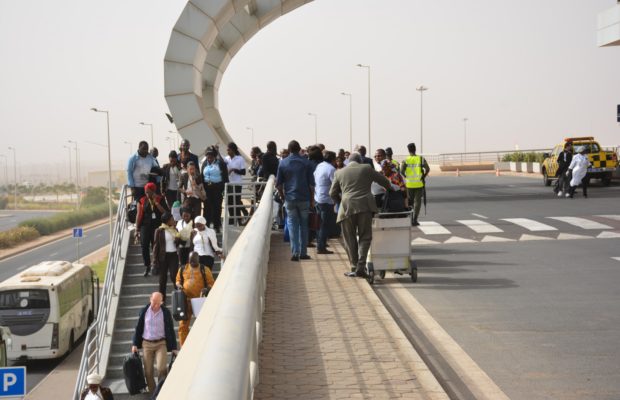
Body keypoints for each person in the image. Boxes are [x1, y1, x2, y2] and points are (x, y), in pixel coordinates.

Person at [330, 153, 390, 277]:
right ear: (360, 161)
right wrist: (391, 188)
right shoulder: (367, 168)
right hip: (365, 207)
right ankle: (361, 267)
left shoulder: (339, 173)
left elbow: (332, 193)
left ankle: (353, 266)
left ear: (348, 162)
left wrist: (341, 201)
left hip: (347, 208)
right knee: (365, 237)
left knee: (349, 239)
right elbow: (384, 181)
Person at [131, 292, 178, 394]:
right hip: (146, 344)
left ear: (162, 302)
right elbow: (138, 328)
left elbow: (170, 330)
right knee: (148, 372)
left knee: (161, 368)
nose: (156, 305)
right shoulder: (144, 311)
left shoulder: (165, 312)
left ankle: (162, 392)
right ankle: (154, 394)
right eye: (154, 302)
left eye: (158, 302)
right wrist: (134, 344)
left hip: (161, 343)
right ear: (150, 299)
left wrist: (174, 347)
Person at [276, 140, 315, 261]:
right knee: (304, 226)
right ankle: (303, 253)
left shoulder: (283, 163)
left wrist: (283, 196)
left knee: (292, 226)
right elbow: (311, 185)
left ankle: (295, 252)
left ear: (289, 150)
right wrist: (312, 200)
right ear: (299, 149)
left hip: (290, 198)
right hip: (304, 198)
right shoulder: (306, 162)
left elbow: (278, 185)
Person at [176, 252, 215, 346]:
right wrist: (179, 285)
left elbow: (212, 283)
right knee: (182, 326)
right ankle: (183, 346)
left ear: (198, 260)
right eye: (191, 261)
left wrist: (207, 288)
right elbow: (178, 280)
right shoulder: (183, 269)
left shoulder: (204, 269)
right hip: (186, 300)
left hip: (199, 300)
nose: (192, 263)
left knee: (202, 324)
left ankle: (203, 344)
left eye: (194, 261)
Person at [136, 182, 167, 277]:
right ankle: (147, 266)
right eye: (146, 192)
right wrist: (137, 228)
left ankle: (156, 265)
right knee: (144, 246)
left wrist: (156, 203)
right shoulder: (141, 200)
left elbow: (165, 212)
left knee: (155, 246)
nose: (147, 194)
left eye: (149, 192)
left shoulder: (160, 199)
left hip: (156, 226)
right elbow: (139, 214)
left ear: (153, 191)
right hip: (144, 226)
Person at [152, 212, 180, 303]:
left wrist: (178, 240)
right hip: (163, 257)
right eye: (171, 219)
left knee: (174, 276)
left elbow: (179, 243)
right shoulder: (159, 230)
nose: (173, 220)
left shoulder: (175, 229)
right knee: (162, 279)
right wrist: (155, 260)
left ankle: (179, 296)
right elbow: (156, 246)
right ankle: (162, 300)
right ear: (167, 221)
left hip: (173, 256)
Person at [313, 151, 337, 255]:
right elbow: (335, 184)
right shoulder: (331, 169)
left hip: (318, 197)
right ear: (333, 159)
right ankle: (321, 247)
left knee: (319, 223)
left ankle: (320, 243)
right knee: (324, 224)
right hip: (326, 199)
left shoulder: (320, 166)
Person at [401, 143, 430, 226]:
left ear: (408, 150)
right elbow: (427, 169)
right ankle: (415, 220)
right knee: (417, 203)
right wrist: (423, 176)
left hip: (409, 184)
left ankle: (410, 218)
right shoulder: (421, 159)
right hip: (419, 184)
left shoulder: (406, 160)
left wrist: (406, 177)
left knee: (410, 202)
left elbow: (401, 171)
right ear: (415, 149)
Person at [201, 148, 228, 231]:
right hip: (207, 189)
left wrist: (224, 189)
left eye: (211, 156)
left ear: (214, 156)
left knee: (217, 207)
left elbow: (225, 177)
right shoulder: (204, 163)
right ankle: (207, 226)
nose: (209, 158)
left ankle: (217, 226)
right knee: (207, 208)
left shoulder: (220, 163)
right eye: (208, 156)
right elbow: (202, 175)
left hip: (217, 189)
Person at [225, 142, 249, 224]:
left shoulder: (240, 159)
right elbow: (220, 160)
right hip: (229, 183)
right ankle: (234, 220)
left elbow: (243, 172)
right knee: (230, 202)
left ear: (233, 150)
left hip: (237, 183)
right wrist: (216, 151)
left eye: (229, 150)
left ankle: (244, 213)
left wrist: (233, 169)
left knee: (237, 201)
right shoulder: (226, 158)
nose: (227, 151)